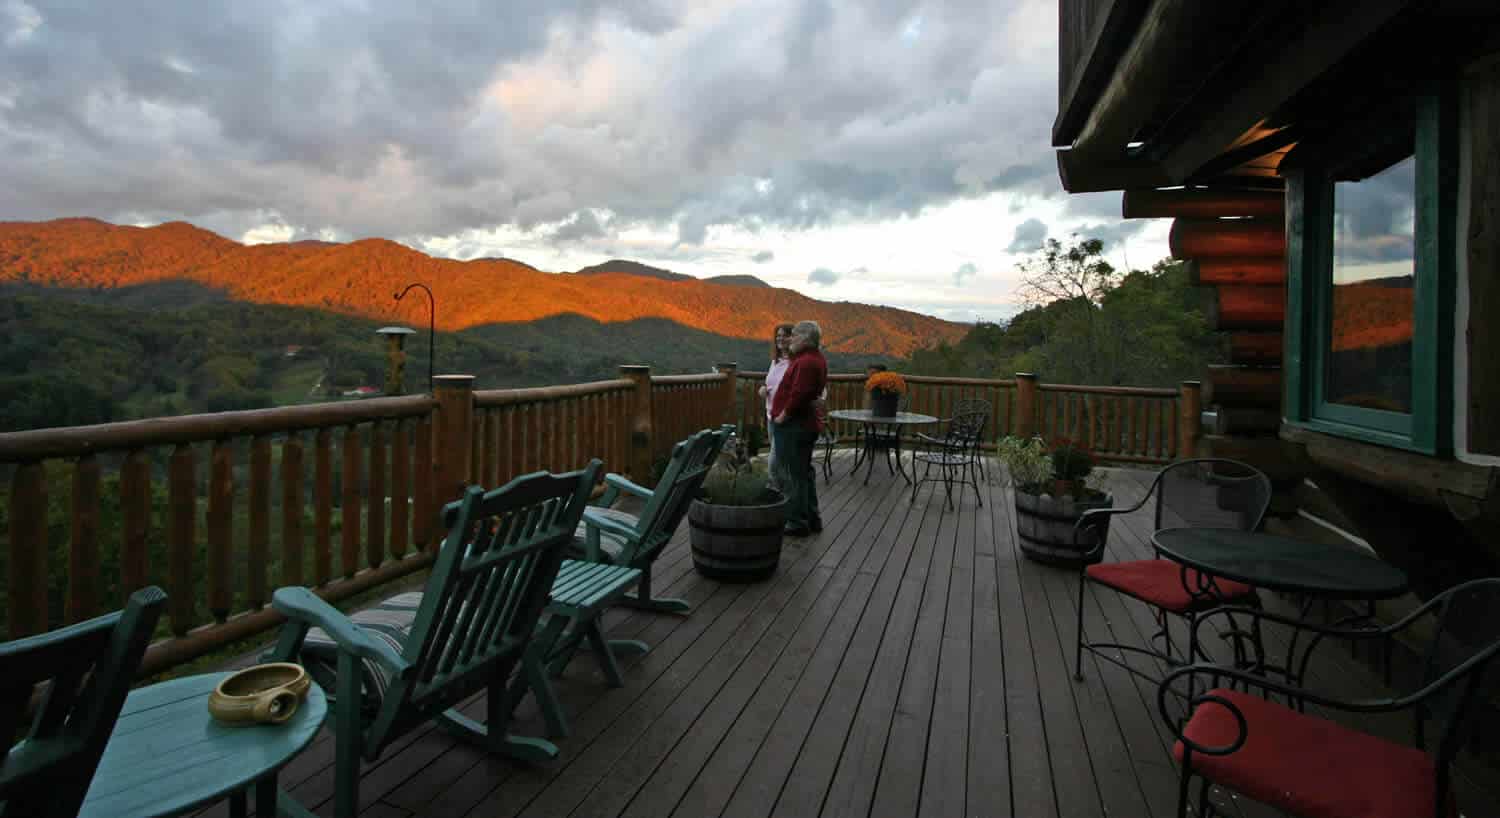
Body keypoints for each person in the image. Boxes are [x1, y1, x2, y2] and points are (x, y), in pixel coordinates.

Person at [770, 320, 829, 537]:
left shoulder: (806, 362)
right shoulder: (813, 359)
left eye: (794, 335)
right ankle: (812, 517)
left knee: (792, 474)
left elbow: (799, 395)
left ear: (805, 338)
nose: (790, 339)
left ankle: (796, 521)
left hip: (795, 426)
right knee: (803, 473)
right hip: (803, 425)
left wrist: (782, 416)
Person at [758, 323, 795, 483]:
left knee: (774, 464)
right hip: (770, 415)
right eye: (778, 336)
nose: (780, 339)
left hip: (785, 417)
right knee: (780, 462)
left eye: (785, 335)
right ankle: (785, 497)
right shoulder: (775, 361)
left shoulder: (796, 363)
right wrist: (763, 389)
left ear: (793, 338)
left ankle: (783, 499)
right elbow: (770, 382)